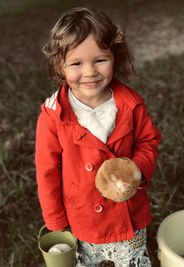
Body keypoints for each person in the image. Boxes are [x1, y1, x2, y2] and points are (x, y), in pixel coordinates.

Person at [35, 7, 161, 267]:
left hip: (129, 217)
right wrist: (57, 222)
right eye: (76, 63)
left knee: (134, 262)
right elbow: (46, 171)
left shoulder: (131, 104)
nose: (90, 72)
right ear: (61, 66)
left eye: (100, 60)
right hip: (82, 220)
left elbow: (148, 140)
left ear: (115, 57)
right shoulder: (53, 117)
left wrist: (136, 169)